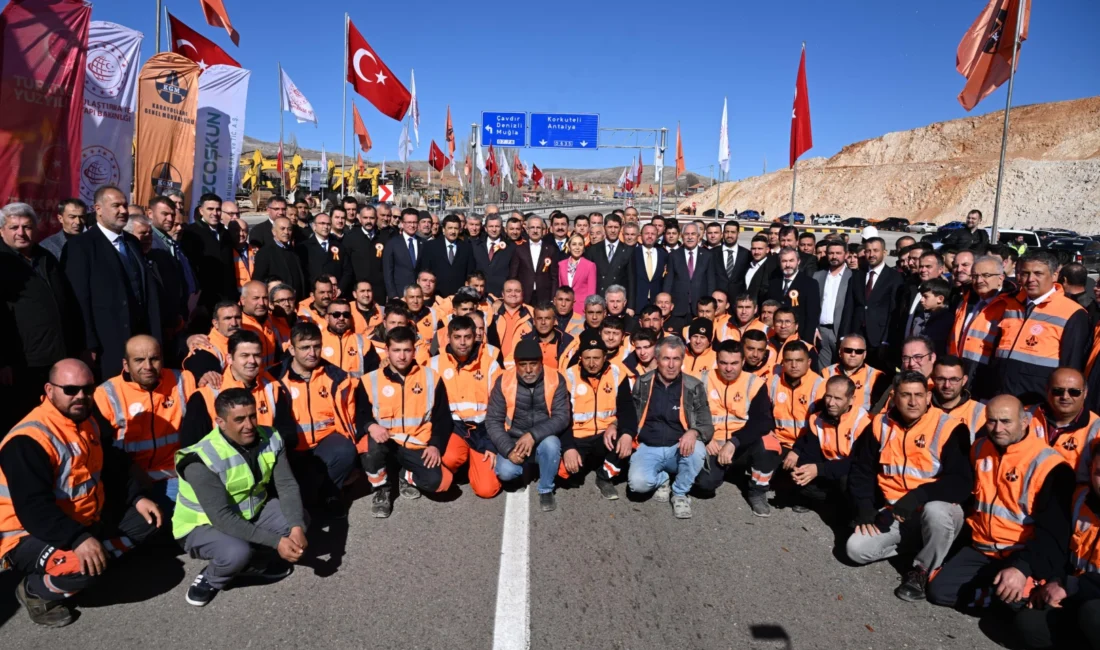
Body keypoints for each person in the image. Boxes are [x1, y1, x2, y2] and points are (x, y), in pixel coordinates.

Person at [0, 359, 162, 627]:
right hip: (26, 534)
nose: (81, 396)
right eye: (71, 389)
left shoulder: (86, 421)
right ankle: (35, 590)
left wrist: (138, 497)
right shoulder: (28, 441)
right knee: (81, 567)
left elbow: (111, 464)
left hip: (82, 518)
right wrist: (77, 539)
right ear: (49, 390)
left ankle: (98, 560)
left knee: (150, 519)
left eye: (88, 389)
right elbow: (33, 510)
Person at [927, 394, 1074, 612]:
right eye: (991, 421)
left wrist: (1022, 568)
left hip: (1021, 551)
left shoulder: (1051, 466)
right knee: (938, 591)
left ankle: (1016, 592)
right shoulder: (979, 449)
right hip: (982, 548)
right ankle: (997, 598)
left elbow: (1054, 533)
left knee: (1027, 611)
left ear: (1025, 422)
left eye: (1006, 421)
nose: (997, 428)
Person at [172, 388, 307, 607]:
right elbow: (221, 518)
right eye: (239, 419)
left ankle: (252, 562)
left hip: (248, 512)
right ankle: (213, 576)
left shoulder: (271, 437)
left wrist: (297, 527)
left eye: (253, 416)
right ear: (220, 422)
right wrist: (277, 541)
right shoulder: (200, 459)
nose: (249, 425)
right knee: (235, 553)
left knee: (296, 519)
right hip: (201, 525)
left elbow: (287, 485)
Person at [846, 371, 972, 602]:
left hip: (935, 510)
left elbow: (962, 482)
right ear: (894, 397)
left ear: (928, 397)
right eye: (906, 395)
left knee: (936, 512)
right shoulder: (879, 425)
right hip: (894, 512)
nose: (913, 402)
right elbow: (861, 470)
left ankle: (922, 569)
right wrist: (864, 508)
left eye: (918, 395)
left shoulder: (950, 428)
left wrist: (919, 496)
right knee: (855, 550)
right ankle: (921, 545)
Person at [63, 185, 162, 380]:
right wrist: (88, 344)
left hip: (139, 342)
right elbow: (78, 300)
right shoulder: (80, 246)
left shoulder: (132, 242)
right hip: (106, 344)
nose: (123, 211)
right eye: (116, 205)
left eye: (125, 205)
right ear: (98, 209)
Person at [358, 326, 457, 517]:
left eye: (407, 350)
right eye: (396, 350)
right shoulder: (369, 380)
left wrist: (435, 445)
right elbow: (360, 414)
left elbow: (442, 417)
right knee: (368, 446)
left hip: (416, 444)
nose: (402, 356)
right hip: (385, 442)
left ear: (414, 350)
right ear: (387, 351)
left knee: (442, 483)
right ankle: (381, 488)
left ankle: (406, 475)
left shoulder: (431, 377)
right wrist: (371, 425)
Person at [0, 202, 82, 429]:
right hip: (23, 362)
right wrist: (3, 361)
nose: (21, 233)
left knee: (56, 419)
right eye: (13, 227)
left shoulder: (45, 257)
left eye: (26, 227)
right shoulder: (2, 261)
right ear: (1, 231)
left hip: (58, 356)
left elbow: (68, 303)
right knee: (25, 419)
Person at [268, 322, 360, 516]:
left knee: (345, 450)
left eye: (316, 346)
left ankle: (330, 493)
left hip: (324, 444)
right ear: (291, 349)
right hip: (290, 448)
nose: (312, 353)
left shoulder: (337, 376)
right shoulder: (273, 377)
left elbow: (349, 417)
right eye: (305, 347)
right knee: (303, 499)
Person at [94, 335, 195, 510]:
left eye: (154, 359)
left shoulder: (183, 380)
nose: (148, 366)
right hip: (129, 482)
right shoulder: (106, 393)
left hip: (174, 477)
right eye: (139, 360)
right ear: (126, 365)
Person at [1012, 452, 1100, 649]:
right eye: (1099, 473)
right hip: (1077, 594)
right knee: (1029, 624)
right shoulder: (1080, 499)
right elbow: (1059, 547)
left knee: (1092, 613)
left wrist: (1070, 586)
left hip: (1091, 598)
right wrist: (1055, 580)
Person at [618, 336, 711, 519]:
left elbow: (706, 423)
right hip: (648, 445)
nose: (671, 365)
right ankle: (662, 479)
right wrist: (621, 430)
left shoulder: (694, 386)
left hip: (678, 448)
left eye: (676, 359)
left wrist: (693, 432)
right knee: (637, 486)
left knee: (698, 450)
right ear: (657, 359)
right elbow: (630, 414)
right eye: (666, 359)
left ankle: (680, 493)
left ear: (682, 361)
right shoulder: (643, 383)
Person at [693, 340, 779, 516]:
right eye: (723, 363)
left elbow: (761, 421)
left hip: (741, 444)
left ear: (743, 362)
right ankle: (725, 472)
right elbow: (690, 414)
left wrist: (734, 442)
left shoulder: (754, 383)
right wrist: (705, 438)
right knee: (705, 486)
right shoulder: (702, 380)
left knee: (770, 443)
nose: (728, 368)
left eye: (734, 363)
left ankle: (757, 492)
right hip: (713, 443)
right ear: (716, 361)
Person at [993, 251, 1089, 404]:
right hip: (1001, 395)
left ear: (1054, 275)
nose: (1031, 279)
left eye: (1038, 273)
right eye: (1025, 273)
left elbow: (1072, 366)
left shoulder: (1073, 313)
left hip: (1037, 401)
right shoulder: (1010, 304)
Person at [485, 339, 570, 512]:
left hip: (542, 438)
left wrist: (532, 435)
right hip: (514, 440)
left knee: (552, 445)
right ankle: (523, 469)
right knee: (505, 472)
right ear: (516, 364)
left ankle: (546, 488)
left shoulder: (555, 378)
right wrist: (509, 450)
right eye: (523, 365)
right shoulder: (504, 381)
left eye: (533, 364)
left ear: (541, 362)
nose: (529, 370)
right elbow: (493, 421)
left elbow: (562, 417)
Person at [427, 315, 503, 499]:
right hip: (453, 428)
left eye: (467, 337)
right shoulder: (435, 364)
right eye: (457, 337)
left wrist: (493, 444)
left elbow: (500, 408)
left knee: (487, 490)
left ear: (475, 336)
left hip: (484, 430)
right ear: (448, 338)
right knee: (446, 459)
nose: (462, 342)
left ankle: (475, 463)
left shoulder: (490, 364)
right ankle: (461, 465)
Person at [178, 331, 296, 448]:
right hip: (224, 465)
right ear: (229, 358)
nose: (252, 361)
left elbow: (286, 433)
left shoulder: (272, 387)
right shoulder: (205, 395)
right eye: (244, 355)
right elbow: (192, 446)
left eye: (256, 355)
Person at [558, 336, 633, 501]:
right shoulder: (568, 376)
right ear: (580, 358)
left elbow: (627, 409)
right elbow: (560, 417)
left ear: (605, 357)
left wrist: (622, 430)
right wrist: (568, 447)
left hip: (605, 436)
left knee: (628, 440)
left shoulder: (618, 374)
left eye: (597, 358)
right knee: (564, 475)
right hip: (577, 437)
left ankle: (604, 476)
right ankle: (582, 464)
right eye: (587, 358)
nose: (592, 363)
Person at [789, 375, 869, 515]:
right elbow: (810, 452)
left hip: (851, 470)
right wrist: (803, 470)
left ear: (851, 400)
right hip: (829, 468)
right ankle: (826, 500)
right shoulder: (817, 419)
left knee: (849, 481)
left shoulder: (864, 422)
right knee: (800, 471)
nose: (831, 403)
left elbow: (858, 462)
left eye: (838, 398)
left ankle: (851, 513)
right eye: (828, 396)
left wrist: (819, 470)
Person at [840, 236, 903, 376]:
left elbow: (893, 311)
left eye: (875, 250)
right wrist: (844, 335)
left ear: (884, 252)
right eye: (868, 251)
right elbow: (849, 307)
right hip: (857, 335)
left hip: (879, 338)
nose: (871, 254)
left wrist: (886, 340)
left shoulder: (894, 277)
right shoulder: (857, 276)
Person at [949, 255, 1010, 400]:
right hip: (959, 375)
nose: (979, 280)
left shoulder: (1009, 307)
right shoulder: (968, 300)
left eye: (986, 275)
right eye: (975, 276)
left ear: (1001, 278)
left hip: (987, 381)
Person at [1027, 368, 1100, 482]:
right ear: (1047, 390)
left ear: (1085, 393)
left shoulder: (1097, 428)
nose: (1065, 397)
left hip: (1071, 496)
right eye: (1058, 391)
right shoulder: (1024, 417)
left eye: (1074, 392)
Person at [178, 193, 235, 309]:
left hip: (226, 298)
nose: (215, 213)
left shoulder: (226, 233)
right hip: (203, 300)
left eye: (218, 209)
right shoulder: (190, 233)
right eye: (210, 209)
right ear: (201, 210)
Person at [339, 204, 391, 303]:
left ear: (376, 218)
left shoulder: (384, 237)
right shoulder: (350, 238)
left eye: (371, 218)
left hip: (378, 291)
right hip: (357, 290)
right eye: (365, 218)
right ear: (360, 218)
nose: (368, 221)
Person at [767, 248, 820, 344]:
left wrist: (806, 340)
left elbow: (812, 314)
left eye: (791, 261)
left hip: (799, 336)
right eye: (784, 261)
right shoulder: (773, 282)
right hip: (776, 336)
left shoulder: (810, 283)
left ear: (798, 261)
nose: (788, 265)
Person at [663, 223, 716, 318]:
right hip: (678, 307)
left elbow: (711, 281)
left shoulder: (707, 255)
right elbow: (668, 281)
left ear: (698, 237)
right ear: (682, 236)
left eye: (693, 234)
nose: (690, 237)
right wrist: (666, 302)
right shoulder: (673, 255)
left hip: (700, 307)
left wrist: (709, 303)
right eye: (687, 234)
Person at [814, 240, 852, 367]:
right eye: (831, 253)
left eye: (838, 253)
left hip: (842, 331)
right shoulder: (818, 276)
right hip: (821, 332)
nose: (834, 256)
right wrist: (815, 327)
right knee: (823, 370)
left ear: (846, 255)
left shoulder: (853, 276)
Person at [420, 214, 476, 298]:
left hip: (459, 297)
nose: (453, 232)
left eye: (456, 228)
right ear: (443, 229)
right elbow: (425, 271)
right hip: (436, 296)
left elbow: (469, 273)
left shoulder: (466, 247)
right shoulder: (430, 246)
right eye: (450, 228)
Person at [184, 301, 240, 381]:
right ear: (215, 323)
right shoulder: (204, 350)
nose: (234, 323)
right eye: (227, 318)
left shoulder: (245, 340)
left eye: (238, 317)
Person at [510, 214, 559, 305]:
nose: (535, 231)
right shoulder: (519, 249)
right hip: (524, 296)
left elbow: (554, 277)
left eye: (538, 228)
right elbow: (514, 275)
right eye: (532, 227)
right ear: (527, 230)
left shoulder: (551, 249)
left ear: (543, 230)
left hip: (544, 296)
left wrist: (553, 298)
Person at [253, 217, 306, 299]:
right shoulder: (265, 252)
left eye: (289, 229)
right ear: (274, 232)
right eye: (282, 229)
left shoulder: (293, 251)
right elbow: (258, 280)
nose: (286, 232)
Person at [587, 214, 634, 306]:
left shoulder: (628, 250)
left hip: (618, 301)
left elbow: (631, 280)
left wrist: (631, 306)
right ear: (604, 228)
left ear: (620, 228)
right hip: (598, 300)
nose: (613, 230)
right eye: (610, 227)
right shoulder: (593, 250)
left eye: (616, 227)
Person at [319, 298, 374, 378]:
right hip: (326, 389)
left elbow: (371, 375)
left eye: (346, 315)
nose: (341, 318)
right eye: (336, 314)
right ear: (327, 317)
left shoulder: (363, 342)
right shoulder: (317, 340)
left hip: (355, 389)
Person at [381, 208, 424, 300]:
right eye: (409, 222)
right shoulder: (392, 243)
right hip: (400, 294)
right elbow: (388, 272)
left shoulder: (423, 243)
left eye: (415, 222)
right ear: (402, 223)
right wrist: (393, 295)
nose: (412, 225)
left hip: (419, 295)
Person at [472, 214, 514, 300]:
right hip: (479, 294)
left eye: (497, 226)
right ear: (486, 228)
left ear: (501, 228)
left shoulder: (511, 247)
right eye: (491, 226)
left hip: (501, 296)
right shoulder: (475, 246)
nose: (494, 229)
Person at [297, 212, 343, 285]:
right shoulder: (304, 247)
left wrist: (341, 288)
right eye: (322, 223)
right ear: (314, 226)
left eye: (328, 224)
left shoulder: (339, 245)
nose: (326, 227)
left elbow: (347, 270)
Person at [910, 278, 954, 355]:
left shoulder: (948, 320)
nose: (921, 300)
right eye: (921, 296)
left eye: (926, 297)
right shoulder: (919, 317)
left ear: (940, 299)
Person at [633, 224, 669, 309]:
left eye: (653, 234)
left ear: (657, 236)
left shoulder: (663, 254)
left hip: (656, 303)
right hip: (637, 302)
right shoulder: (633, 253)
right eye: (647, 233)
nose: (650, 236)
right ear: (640, 235)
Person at [559, 233, 596, 314]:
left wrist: (588, 309)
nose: (577, 247)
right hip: (564, 307)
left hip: (581, 309)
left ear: (583, 248)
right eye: (574, 244)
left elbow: (591, 292)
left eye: (580, 244)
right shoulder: (561, 265)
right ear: (569, 247)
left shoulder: (590, 265)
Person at [744, 235, 778, 305]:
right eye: (754, 249)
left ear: (767, 250)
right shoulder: (747, 265)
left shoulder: (771, 267)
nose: (756, 252)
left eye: (760, 249)